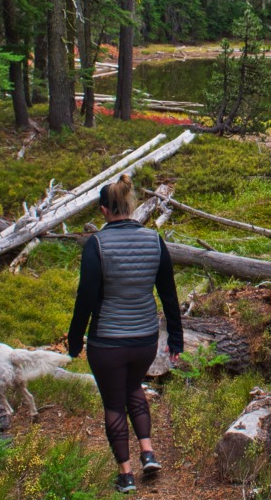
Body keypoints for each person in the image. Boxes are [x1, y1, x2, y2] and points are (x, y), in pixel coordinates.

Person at [67, 174, 183, 494]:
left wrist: (75, 340)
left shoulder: (97, 244)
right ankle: (148, 452)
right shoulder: (154, 240)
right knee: (134, 388)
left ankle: (126, 474)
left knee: (114, 405)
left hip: (108, 342)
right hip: (145, 339)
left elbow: (86, 298)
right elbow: (169, 294)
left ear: (104, 210)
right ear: (129, 206)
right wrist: (175, 338)